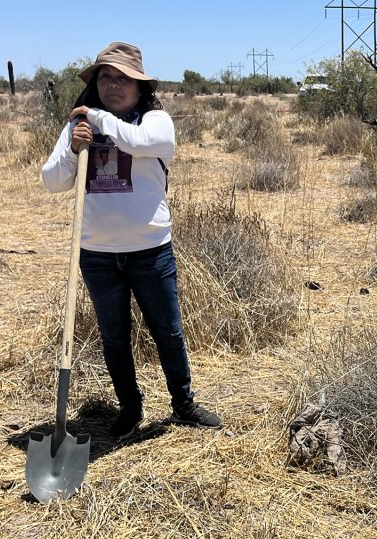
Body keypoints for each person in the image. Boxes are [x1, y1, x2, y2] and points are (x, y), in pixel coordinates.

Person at [41, 42, 221, 441]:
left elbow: (138, 144)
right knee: (114, 336)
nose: (114, 84)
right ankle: (130, 408)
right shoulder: (78, 128)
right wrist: (73, 149)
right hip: (97, 254)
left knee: (167, 331)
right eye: (106, 77)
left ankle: (183, 403)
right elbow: (52, 181)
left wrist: (99, 119)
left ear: (141, 87)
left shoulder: (156, 122)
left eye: (124, 78)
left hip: (150, 250)